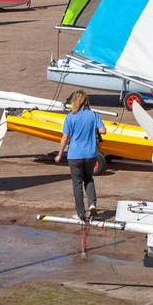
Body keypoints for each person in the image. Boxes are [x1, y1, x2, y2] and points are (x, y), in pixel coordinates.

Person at [57, 90, 106, 221]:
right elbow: (103, 131)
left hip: (74, 155)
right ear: (86, 101)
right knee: (89, 179)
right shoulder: (93, 115)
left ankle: (80, 213)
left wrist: (59, 154)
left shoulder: (70, 117)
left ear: (74, 101)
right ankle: (92, 204)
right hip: (90, 154)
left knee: (77, 183)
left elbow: (65, 137)